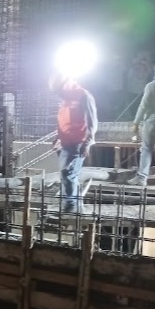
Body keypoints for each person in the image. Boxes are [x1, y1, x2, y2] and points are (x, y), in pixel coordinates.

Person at [52, 77, 98, 214]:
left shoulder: (83, 96)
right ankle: (77, 206)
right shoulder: (65, 98)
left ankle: (70, 206)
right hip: (65, 142)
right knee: (66, 175)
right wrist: (57, 138)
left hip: (78, 142)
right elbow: (64, 120)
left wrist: (88, 142)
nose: (58, 94)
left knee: (68, 173)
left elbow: (92, 121)